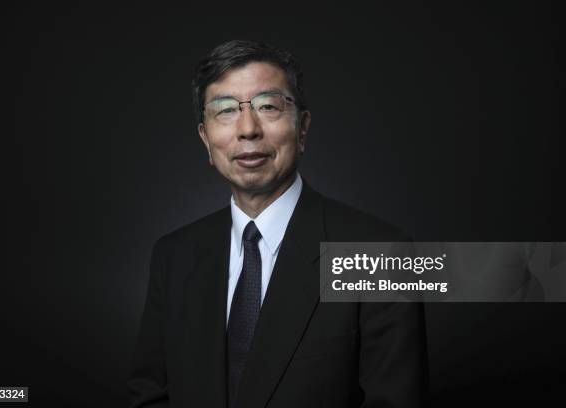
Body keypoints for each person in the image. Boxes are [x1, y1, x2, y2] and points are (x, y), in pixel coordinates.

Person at [128, 40, 428, 408]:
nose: (248, 129)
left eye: (268, 106)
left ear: (302, 128)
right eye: (225, 110)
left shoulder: (381, 255)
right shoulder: (174, 256)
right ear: (206, 139)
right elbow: (148, 396)